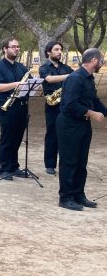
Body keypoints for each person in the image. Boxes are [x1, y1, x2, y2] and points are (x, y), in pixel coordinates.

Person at [56, 48, 107, 211]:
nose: (102, 64)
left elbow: (94, 101)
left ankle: (78, 194)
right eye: (102, 61)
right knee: (69, 161)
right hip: (69, 125)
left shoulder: (89, 79)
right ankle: (65, 197)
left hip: (83, 125)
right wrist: (92, 114)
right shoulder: (75, 78)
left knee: (81, 162)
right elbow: (70, 104)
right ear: (94, 61)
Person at [0, 38, 30, 181]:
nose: (16, 49)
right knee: (7, 139)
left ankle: (14, 166)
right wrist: (16, 84)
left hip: (21, 108)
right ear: (5, 49)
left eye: (18, 47)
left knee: (17, 139)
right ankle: (4, 169)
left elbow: (28, 85)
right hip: (6, 108)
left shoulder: (22, 68)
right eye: (13, 47)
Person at [39, 41, 73, 175]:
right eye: (56, 49)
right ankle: (50, 164)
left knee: (67, 135)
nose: (60, 52)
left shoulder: (66, 67)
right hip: (52, 105)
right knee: (52, 134)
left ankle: (66, 164)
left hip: (66, 105)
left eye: (61, 50)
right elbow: (49, 79)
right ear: (48, 52)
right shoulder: (44, 67)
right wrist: (70, 76)